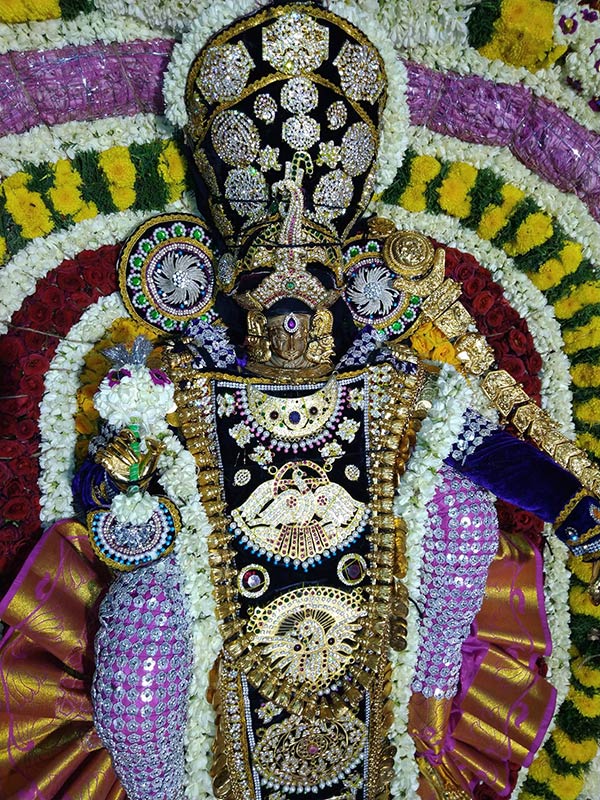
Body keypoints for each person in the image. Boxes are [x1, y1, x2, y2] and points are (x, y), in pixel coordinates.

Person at [2, 3, 600, 800]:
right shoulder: (176, 387)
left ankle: (426, 702)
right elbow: (107, 506)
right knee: (142, 631)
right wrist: (120, 478)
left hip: (378, 636)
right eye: (265, 299)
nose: (288, 326)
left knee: (459, 506)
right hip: (216, 641)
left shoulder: (391, 384)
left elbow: (486, 451)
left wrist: (570, 507)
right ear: (231, 295)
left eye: (309, 301)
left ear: (343, 296)